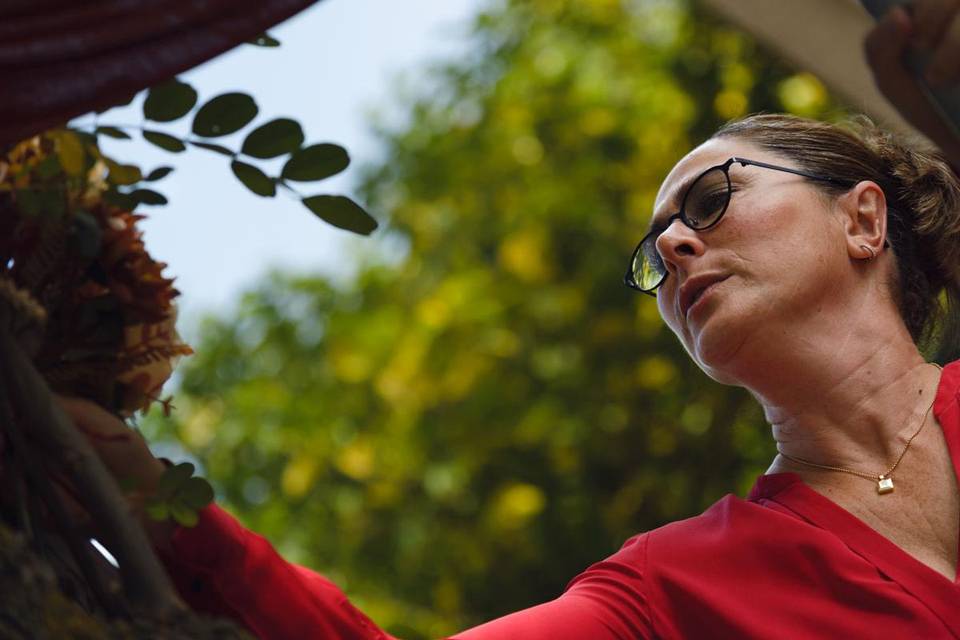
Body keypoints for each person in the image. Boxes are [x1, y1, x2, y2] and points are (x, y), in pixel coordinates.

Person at [59, 2, 960, 638]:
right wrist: (147, 494)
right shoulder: (670, 586)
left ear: (863, 219)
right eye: (654, 248)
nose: (675, 245)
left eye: (712, 198)